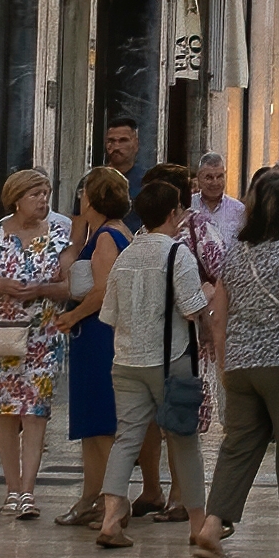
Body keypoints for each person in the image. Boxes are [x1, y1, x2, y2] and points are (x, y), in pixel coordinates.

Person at [187, 163, 279, 558]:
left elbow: (219, 308)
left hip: (241, 363)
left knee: (239, 445)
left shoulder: (238, 251)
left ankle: (212, 525)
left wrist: (223, 358)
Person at [0, 168, 72, 516]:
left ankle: (28, 490)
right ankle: (11, 487)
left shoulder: (59, 237)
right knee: (4, 411)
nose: (43, 200)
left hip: (43, 337)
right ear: (16, 199)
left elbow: (70, 286)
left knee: (35, 412)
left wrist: (41, 289)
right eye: (35, 195)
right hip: (2, 335)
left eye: (46, 193)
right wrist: (0, 287)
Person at [110, 191, 208, 528]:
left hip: (125, 361)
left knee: (126, 439)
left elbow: (110, 313)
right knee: (184, 441)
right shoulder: (178, 254)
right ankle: (198, 524)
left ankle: (110, 518)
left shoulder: (125, 255)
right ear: (173, 213)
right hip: (171, 359)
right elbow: (193, 308)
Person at [63, 170, 139, 538]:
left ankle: (113, 501)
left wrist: (73, 315)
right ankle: (91, 496)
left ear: (90, 198)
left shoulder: (108, 236)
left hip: (99, 334)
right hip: (94, 334)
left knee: (103, 424)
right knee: (92, 425)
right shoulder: (107, 231)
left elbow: (104, 288)